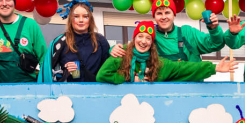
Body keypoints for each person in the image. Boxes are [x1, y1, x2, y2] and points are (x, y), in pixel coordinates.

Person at [97, 21, 237, 83]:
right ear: (134, 39)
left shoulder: (158, 63)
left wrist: (214, 68)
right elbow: (102, 75)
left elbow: (184, 67)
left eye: (148, 38)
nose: (143, 41)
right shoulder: (120, 55)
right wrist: (130, 79)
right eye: (140, 36)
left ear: (152, 44)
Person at [0, 0, 49, 83]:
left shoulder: (30, 25)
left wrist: (42, 84)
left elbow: (44, 58)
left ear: (14, 2)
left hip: (28, 87)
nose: (4, 4)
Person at [142, 0, 225, 62]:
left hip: (191, 78)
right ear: (154, 17)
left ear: (174, 15)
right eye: (159, 13)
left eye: (167, 13)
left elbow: (215, 44)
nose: (163, 17)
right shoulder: (149, 36)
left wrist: (214, 29)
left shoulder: (188, 33)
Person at [50, 0, 110, 82]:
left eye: (85, 16)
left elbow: (108, 69)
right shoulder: (61, 41)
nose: (81, 20)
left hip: (96, 89)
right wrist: (64, 71)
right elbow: (50, 73)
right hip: (69, 89)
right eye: (76, 16)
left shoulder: (100, 41)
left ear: (90, 19)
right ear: (71, 19)